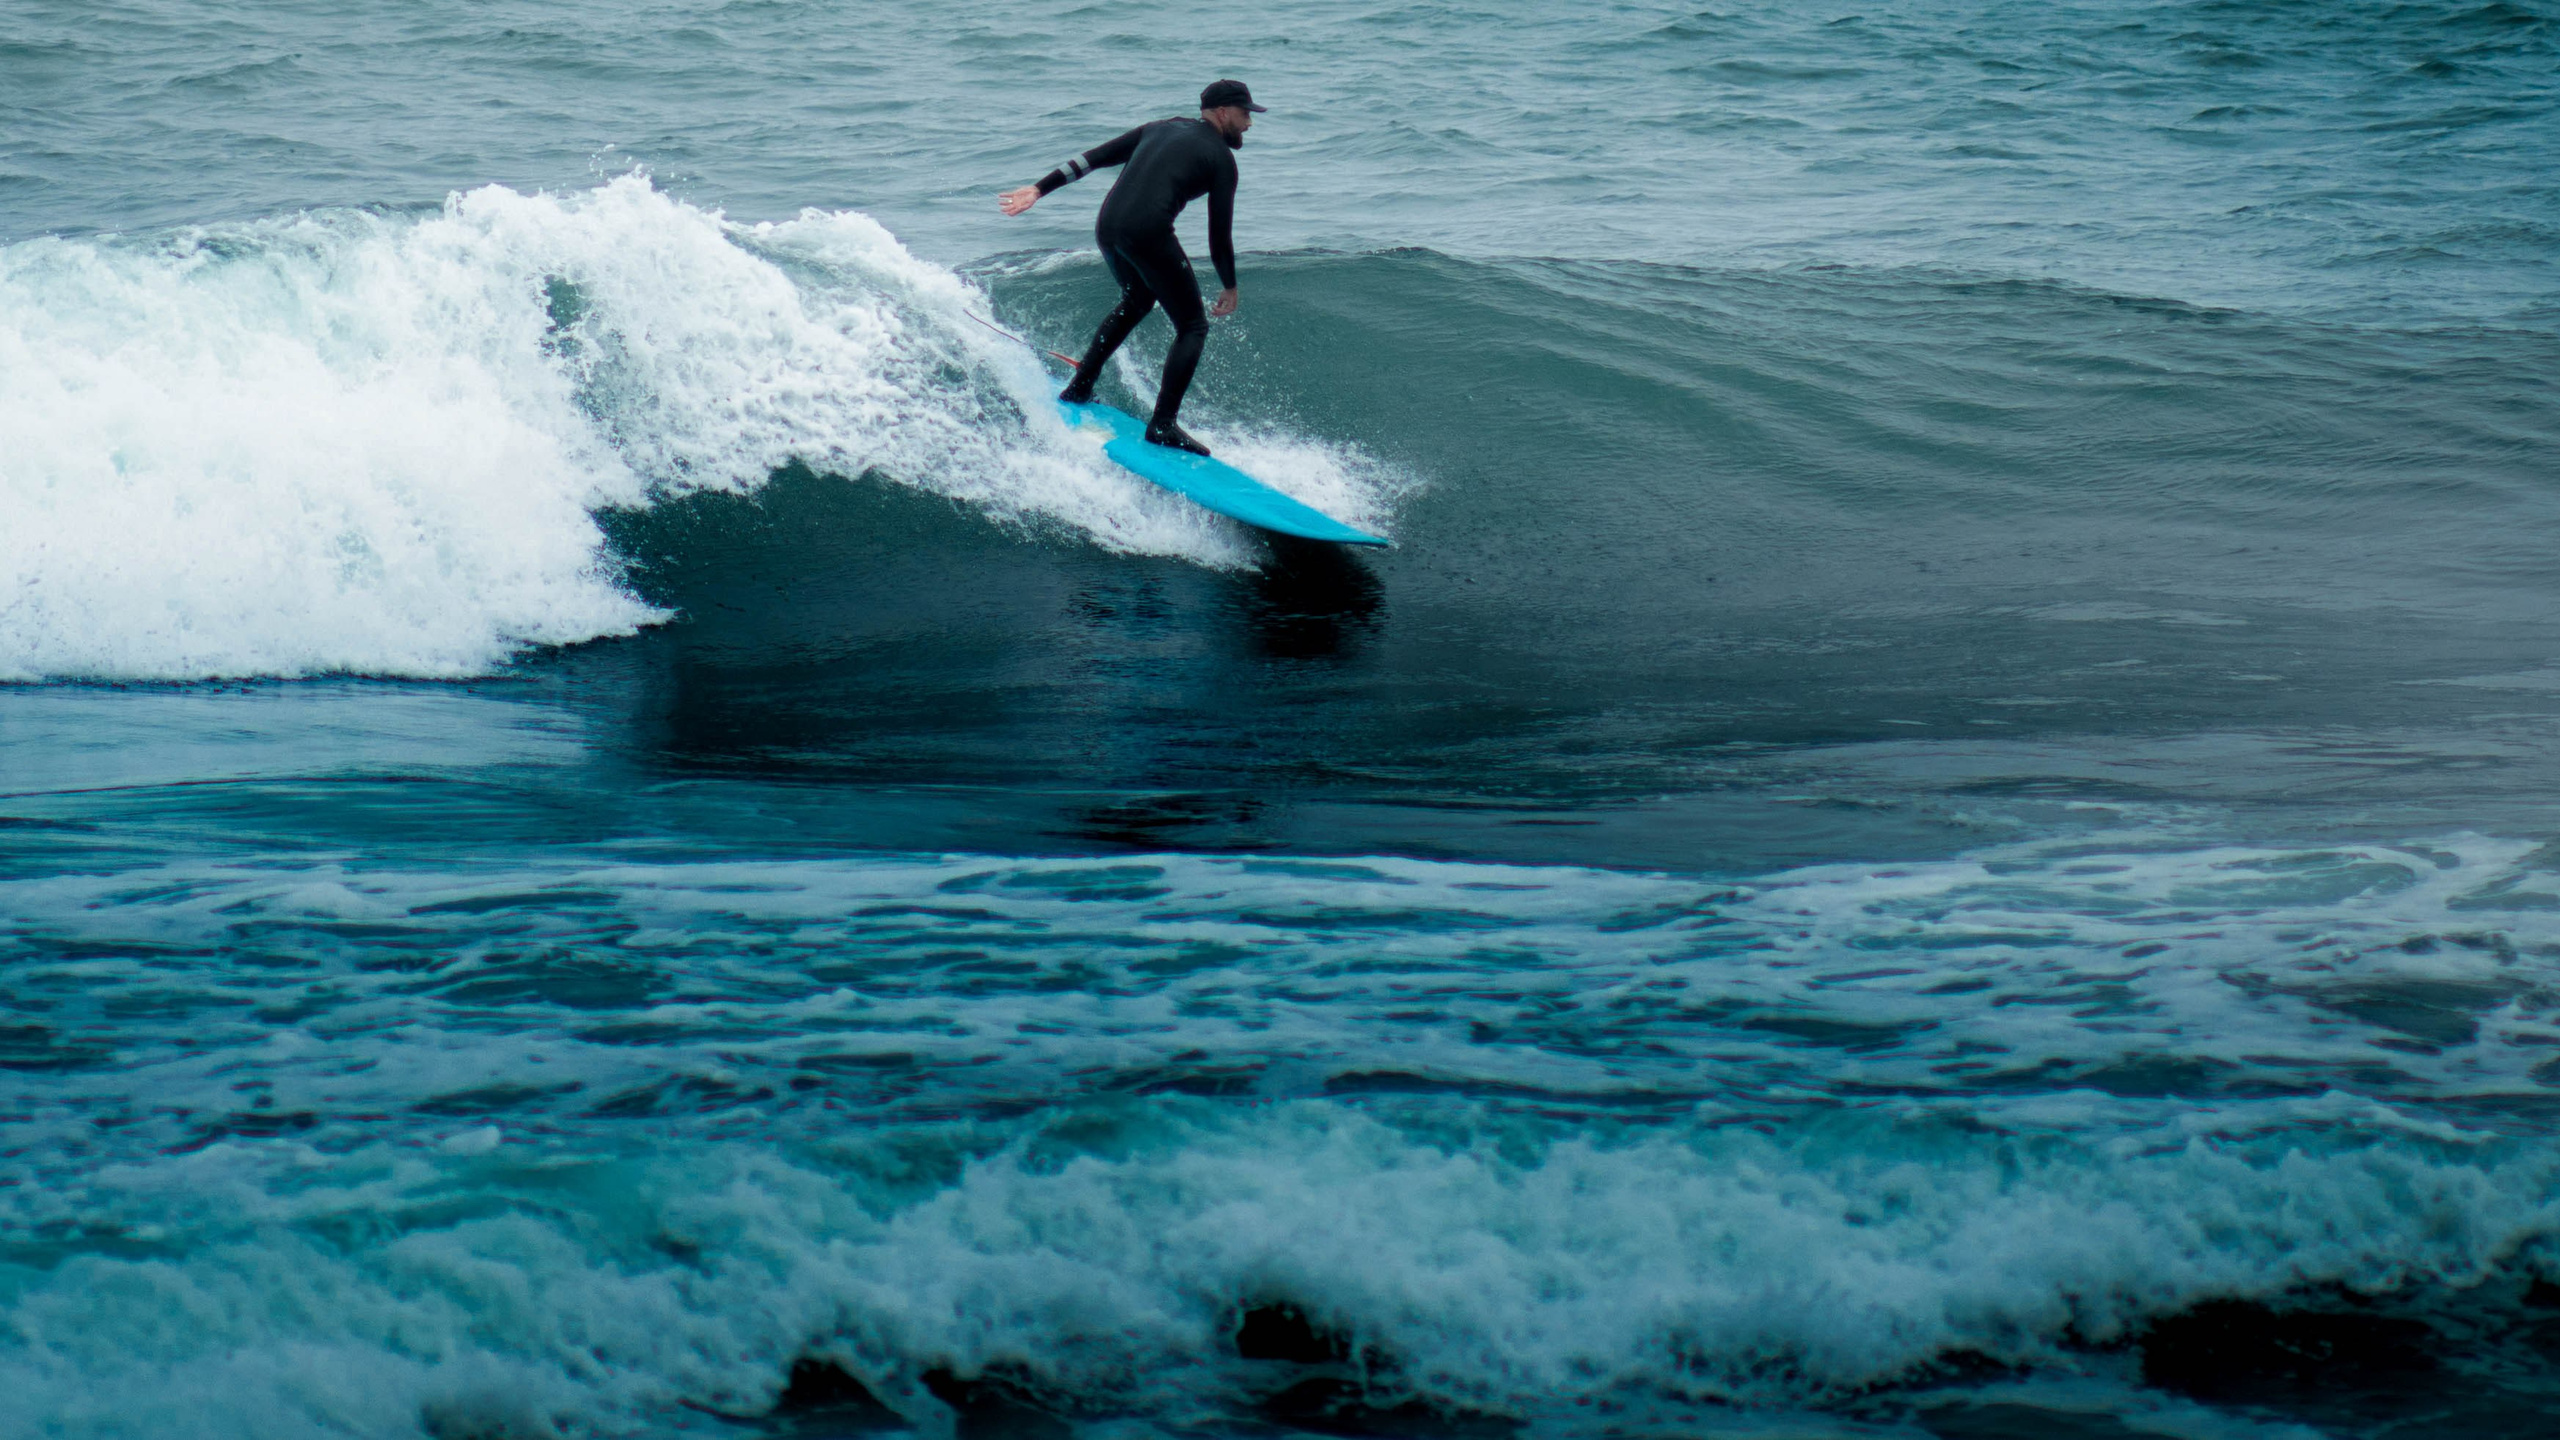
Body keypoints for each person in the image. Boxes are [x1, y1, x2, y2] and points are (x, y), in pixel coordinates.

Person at [999, 79, 1265, 457]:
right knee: (1192, 325)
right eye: (1245, 115)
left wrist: (1039, 189)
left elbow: (1090, 160)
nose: (1249, 124)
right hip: (1147, 231)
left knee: (1139, 298)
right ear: (1223, 112)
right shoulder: (1221, 159)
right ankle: (1163, 425)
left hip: (1108, 226)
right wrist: (1230, 286)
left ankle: (1081, 384)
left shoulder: (1161, 127)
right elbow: (1218, 235)